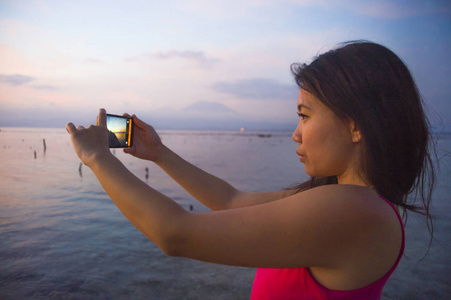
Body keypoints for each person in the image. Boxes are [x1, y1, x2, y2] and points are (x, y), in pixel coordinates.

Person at [66, 41, 435, 299]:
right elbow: (230, 200)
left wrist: (99, 158)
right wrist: (160, 154)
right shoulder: (340, 200)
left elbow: (175, 234)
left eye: (305, 116)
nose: (295, 133)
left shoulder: (356, 211)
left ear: (356, 126)